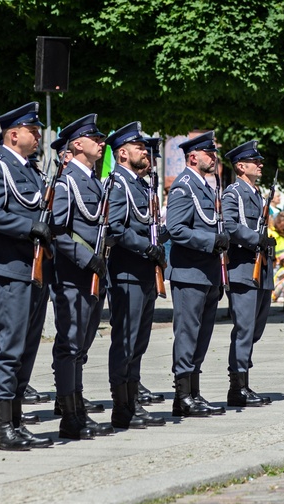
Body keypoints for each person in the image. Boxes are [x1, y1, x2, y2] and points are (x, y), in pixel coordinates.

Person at [0, 102, 53, 451]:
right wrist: (28, 227)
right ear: (13, 134)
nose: (38, 136)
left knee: (27, 347)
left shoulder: (33, 172)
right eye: (32, 131)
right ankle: (2, 425)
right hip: (9, 270)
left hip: (34, 271)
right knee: (9, 346)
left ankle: (16, 419)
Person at [48, 114, 115, 439]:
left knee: (83, 343)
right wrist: (87, 258)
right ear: (77, 144)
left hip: (94, 274)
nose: (102, 143)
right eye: (96, 138)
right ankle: (70, 416)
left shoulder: (93, 181)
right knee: (70, 343)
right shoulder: (66, 182)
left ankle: (77, 407)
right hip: (74, 275)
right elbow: (58, 232)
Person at [105, 122, 168, 428]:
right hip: (127, 272)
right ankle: (122, 407)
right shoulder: (118, 184)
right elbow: (116, 229)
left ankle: (133, 400)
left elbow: (147, 224)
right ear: (122, 153)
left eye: (144, 146)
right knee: (126, 341)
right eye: (139, 146)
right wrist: (147, 247)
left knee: (140, 341)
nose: (145, 150)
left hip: (144, 272)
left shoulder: (141, 185)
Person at [166, 130, 227, 416]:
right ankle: (182, 396)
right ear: (193, 157)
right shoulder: (184, 186)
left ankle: (195, 392)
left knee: (202, 338)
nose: (214, 158)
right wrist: (211, 241)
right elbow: (176, 229)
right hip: (189, 273)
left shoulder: (206, 186)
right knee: (188, 335)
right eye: (209, 153)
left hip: (208, 273)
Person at [221, 139, 275, 407]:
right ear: (241, 166)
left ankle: (244, 381)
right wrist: (256, 239)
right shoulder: (233, 193)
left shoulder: (255, 194)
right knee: (244, 329)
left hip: (260, 269)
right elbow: (229, 225)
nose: (260, 164)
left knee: (255, 330)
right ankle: (237, 387)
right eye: (255, 161)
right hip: (243, 268)